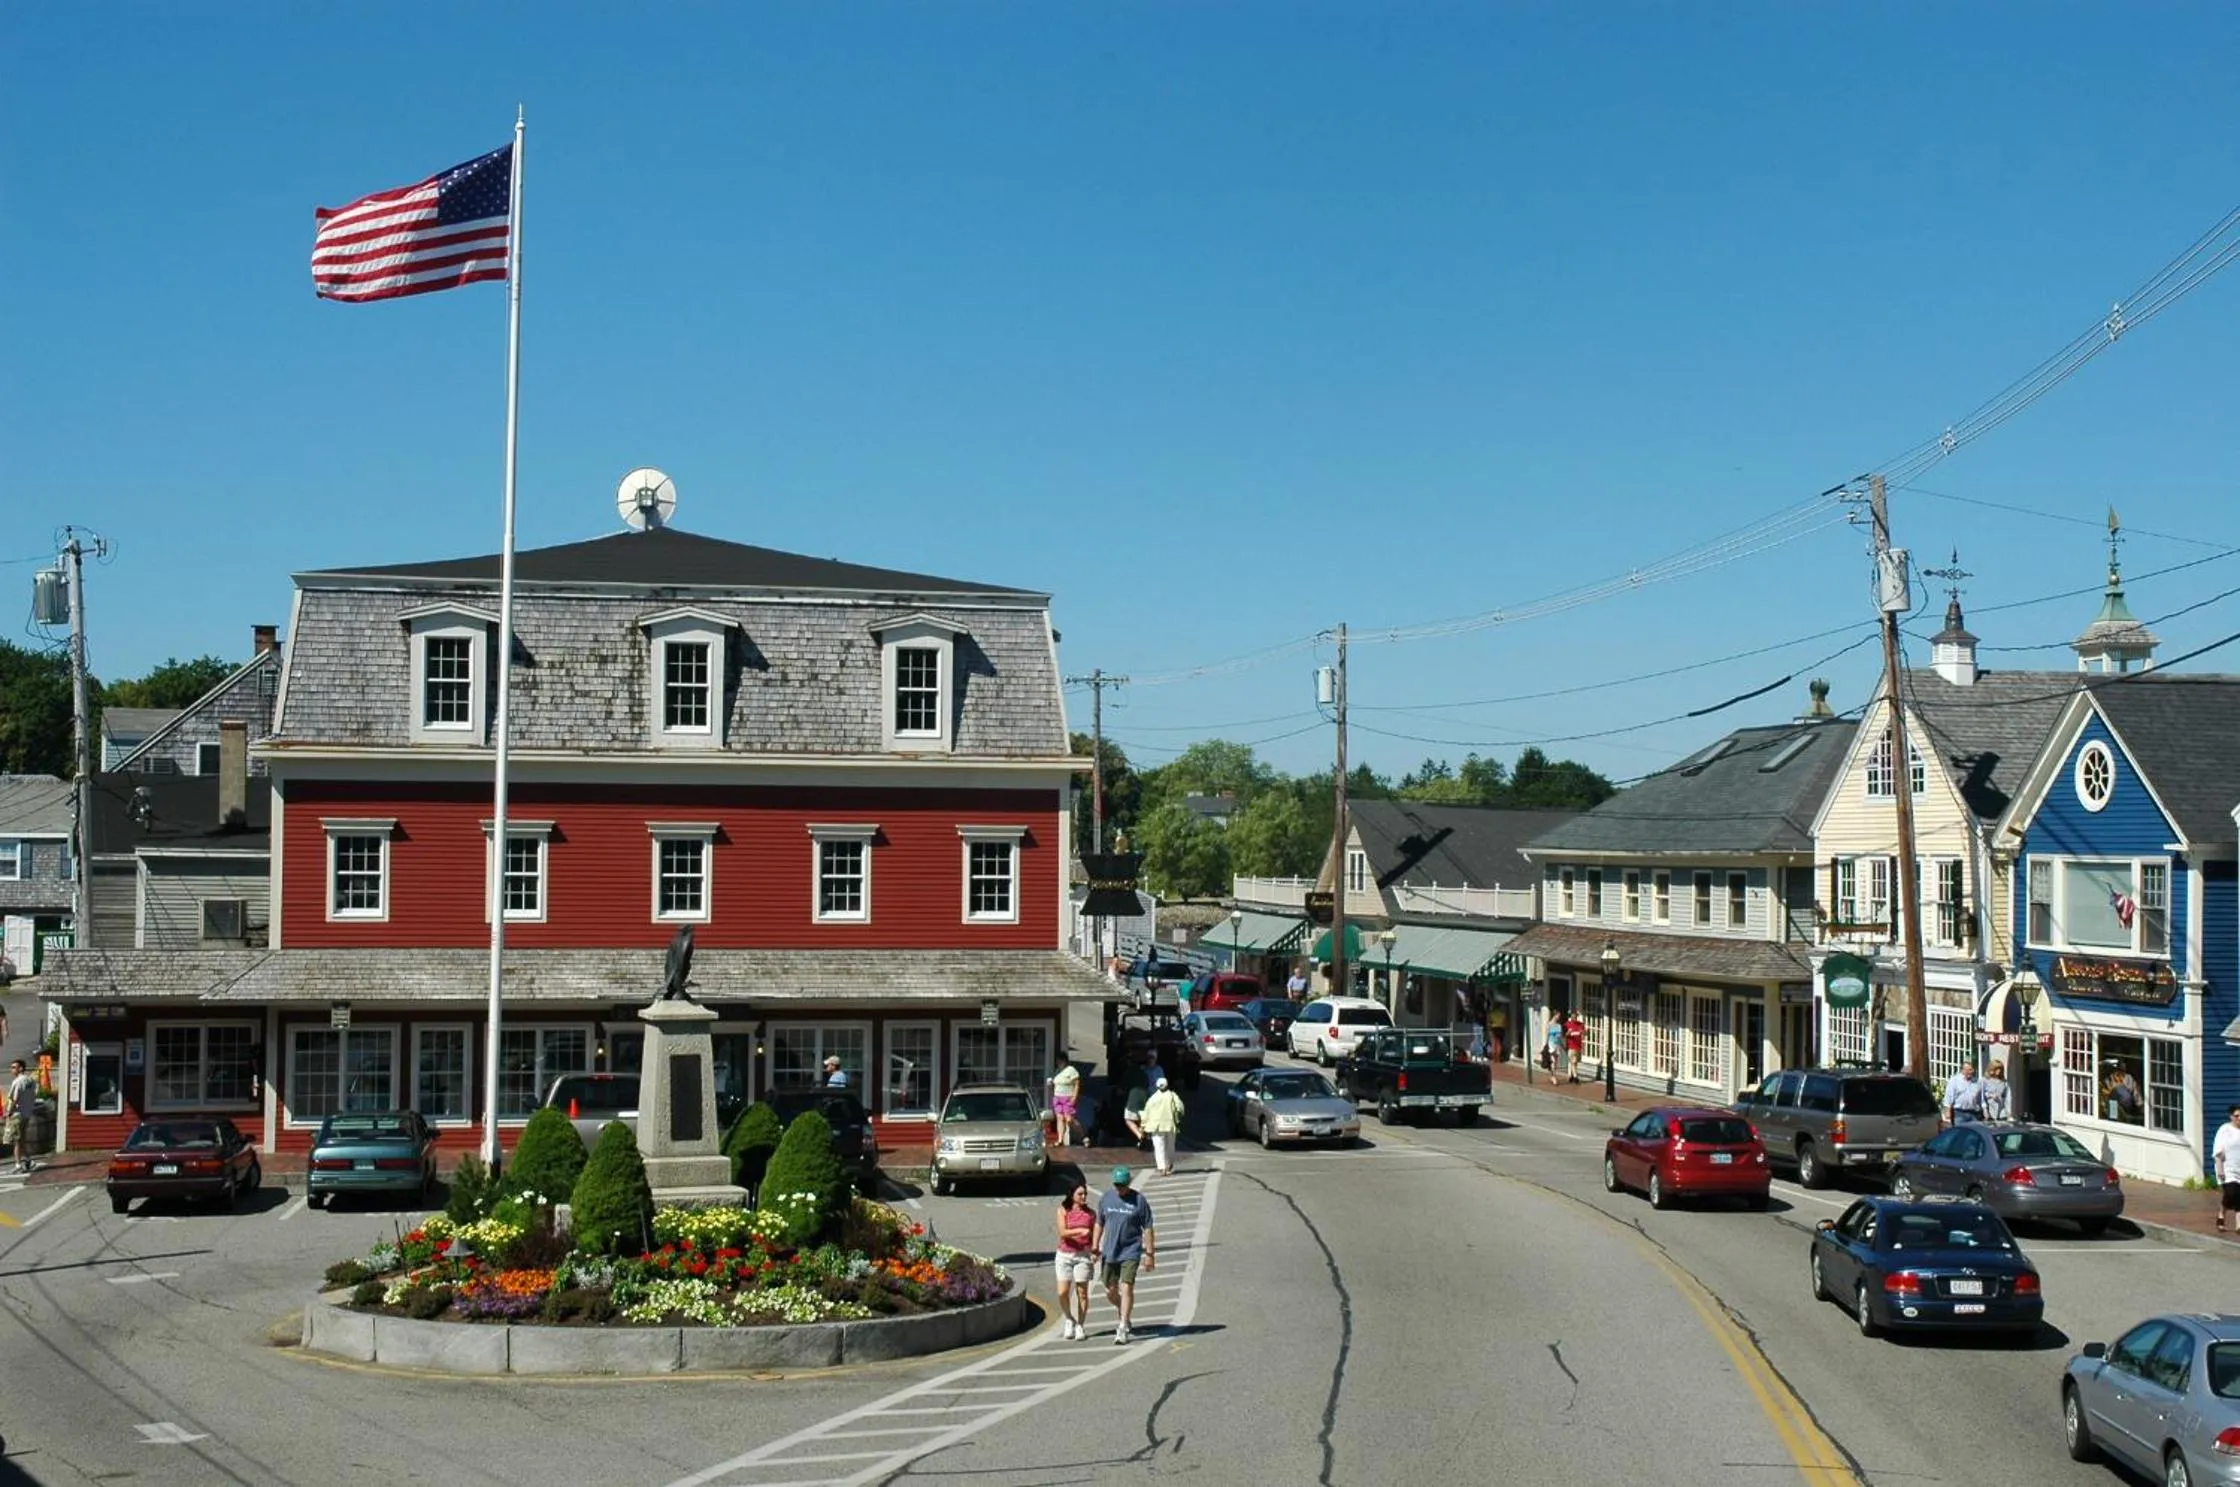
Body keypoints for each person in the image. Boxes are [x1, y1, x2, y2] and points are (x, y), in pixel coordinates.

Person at [1093, 1166, 1156, 1345]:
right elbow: (1099, 1223)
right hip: (1110, 1251)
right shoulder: (1106, 1198)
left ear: (1129, 1182)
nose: (1119, 1188)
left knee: (1126, 1287)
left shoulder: (1139, 1201)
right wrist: (1094, 1245)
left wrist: (1149, 1254)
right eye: (1117, 1184)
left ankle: (1122, 1326)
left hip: (1131, 1251)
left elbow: (1148, 1228)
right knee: (1110, 1291)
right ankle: (1124, 1312)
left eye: (1122, 1185)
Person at [1054, 1182, 1097, 1339]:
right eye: (1080, 1194)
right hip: (1064, 1255)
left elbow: (1094, 1235)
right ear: (1072, 1195)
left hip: (1082, 1256)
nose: (1084, 1196)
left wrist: (1095, 1250)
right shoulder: (1063, 1210)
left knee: (1082, 1293)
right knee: (1062, 1292)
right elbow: (1063, 1232)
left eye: (1085, 1194)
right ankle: (1069, 1318)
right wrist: (1080, 1230)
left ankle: (1080, 1325)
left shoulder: (1091, 1214)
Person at [1141, 1076, 1185, 1177]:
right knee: (1170, 1146)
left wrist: (1143, 1125)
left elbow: (1146, 1112)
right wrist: (1178, 1117)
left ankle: (1162, 1168)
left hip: (1155, 1126)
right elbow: (1180, 1108)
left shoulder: (1153, 1098)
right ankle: (1169, 1164)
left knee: (1159, 1147)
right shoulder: (1173, 1096)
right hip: (1170, 1125)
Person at [5, 1059, 36, 1175]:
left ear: (21, 1068)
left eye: (14, 1067)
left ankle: (18, 1164)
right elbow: (33, 1095)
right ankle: (28, 1160)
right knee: (21, 1138)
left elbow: (15, 1098)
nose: (12, 1069)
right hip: (26, 1113)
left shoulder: (18, 1081)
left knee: (15, 1140)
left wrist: (9, 1111)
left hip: (17, 1114)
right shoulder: (31, 1081)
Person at [2213, 1105, 2240, 1236]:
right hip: (2227, 1168)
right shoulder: (2224, 1130)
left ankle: (2238, 1224)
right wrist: (2220, 1169)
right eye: (2236, 1116)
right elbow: (2218, 1150)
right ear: (2231, 1117)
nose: (2239, 1118)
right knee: (2231, 1193)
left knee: (2239, 1195)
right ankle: (2221, 1212)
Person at [1050, 1062, 1083, 1148]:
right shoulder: (1057, 1071)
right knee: (1060, 1118)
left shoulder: (1071, 1070)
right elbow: (1056, 1083)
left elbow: (1077, 1084)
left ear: (1064, 1061)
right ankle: (1060, 1140)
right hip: (1057, 1097)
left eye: (1060, 1061)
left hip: (1068, 1097)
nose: (1058, 1063)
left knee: (1069, 1119)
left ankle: (1084, 1136)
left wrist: (1074, 1097)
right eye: (1058, 1061)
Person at [1563, 1012, 1585, 1084]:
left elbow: (1585, 1033)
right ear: (1571, 1017)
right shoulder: (1567, 1024)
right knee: (1573, 1061)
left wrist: (1583, 1032)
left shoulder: (1580, 1024)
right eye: (1573, 1017)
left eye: (1575, 1017)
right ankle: (1576, 1077)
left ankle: (1570, 1076)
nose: (1574, 1018)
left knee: (1575, 1062)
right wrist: (1568, 1033)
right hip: (1571, 1046)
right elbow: (1564, 1035)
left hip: (1578, 1046)